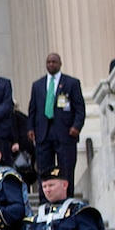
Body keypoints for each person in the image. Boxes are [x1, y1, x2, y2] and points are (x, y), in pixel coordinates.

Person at [25, 52, 86, 181]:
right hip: (43, 133)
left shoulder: (71, 83)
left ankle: (67, 197)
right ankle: (45, 198)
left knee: (66, 168)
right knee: (44, 168)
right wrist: (30, 128)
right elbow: (32, 109)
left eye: (54, 62)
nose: (51, 64)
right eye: (49, 62)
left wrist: (77, 126)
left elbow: (79, 108)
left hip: (65, 132)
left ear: (60, 64)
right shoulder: (38, 85)